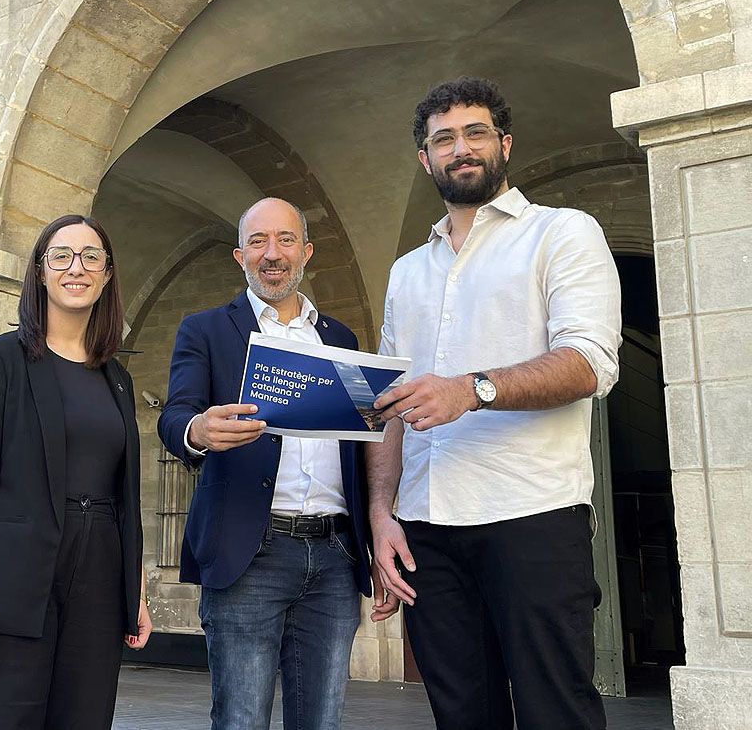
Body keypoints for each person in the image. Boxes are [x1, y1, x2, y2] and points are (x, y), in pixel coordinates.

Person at [367, 77, 621, 730]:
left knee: (554, 712)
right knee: (461, 717)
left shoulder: (562, 235)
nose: (460, 148)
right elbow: (388, 406)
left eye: (475, 132)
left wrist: (471, 389)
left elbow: (588, 362)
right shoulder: (405, 273)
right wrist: (380, 512)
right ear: (425, 160)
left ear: (504, 144)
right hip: (425, 525)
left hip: (531, 514)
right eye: (443, 139)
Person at [157, 197, 372, 730]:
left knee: (321, 721)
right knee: (241, 719)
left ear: (306, 252)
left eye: (284, 240)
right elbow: (175, 415)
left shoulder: (340, 339)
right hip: (250, 551)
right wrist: (197, 430)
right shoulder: (204, 330)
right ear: (239, 255)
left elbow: (360, 447)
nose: (271, 254)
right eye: (258, 242)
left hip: (335, 553)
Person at [0, 214, 153, 730]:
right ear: (39, 272)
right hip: (10, 577)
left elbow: (124, 493)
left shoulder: (118, 379)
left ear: (106, 275)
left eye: (90, 257)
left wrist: (136, 589)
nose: (75, 268)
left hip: (99, 577)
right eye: (61, 256)